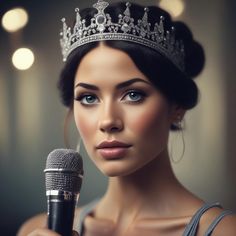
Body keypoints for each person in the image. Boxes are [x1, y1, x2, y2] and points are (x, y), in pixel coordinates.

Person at [18, 0, 236, 235]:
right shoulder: (36, 229)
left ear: (177, 105)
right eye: (89, 98)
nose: (107, 121)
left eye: (133, 94)